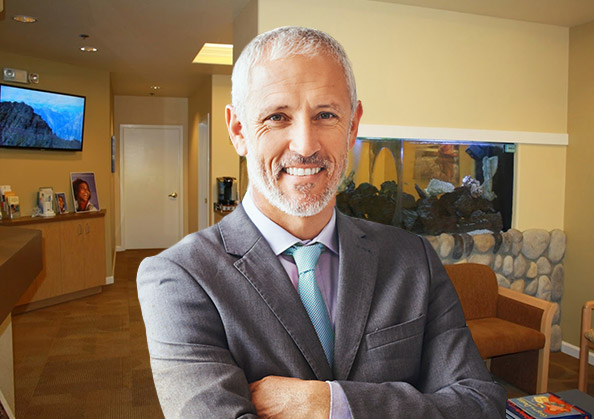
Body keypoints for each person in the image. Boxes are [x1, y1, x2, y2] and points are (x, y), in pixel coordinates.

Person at [137, 26, 507, 418]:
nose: (305, 146)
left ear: (353, 126)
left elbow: (480, 406)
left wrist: (332, 404)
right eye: (277, 116)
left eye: (326, 114)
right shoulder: (179, 277)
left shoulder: (412, 257)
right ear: (239, 130)